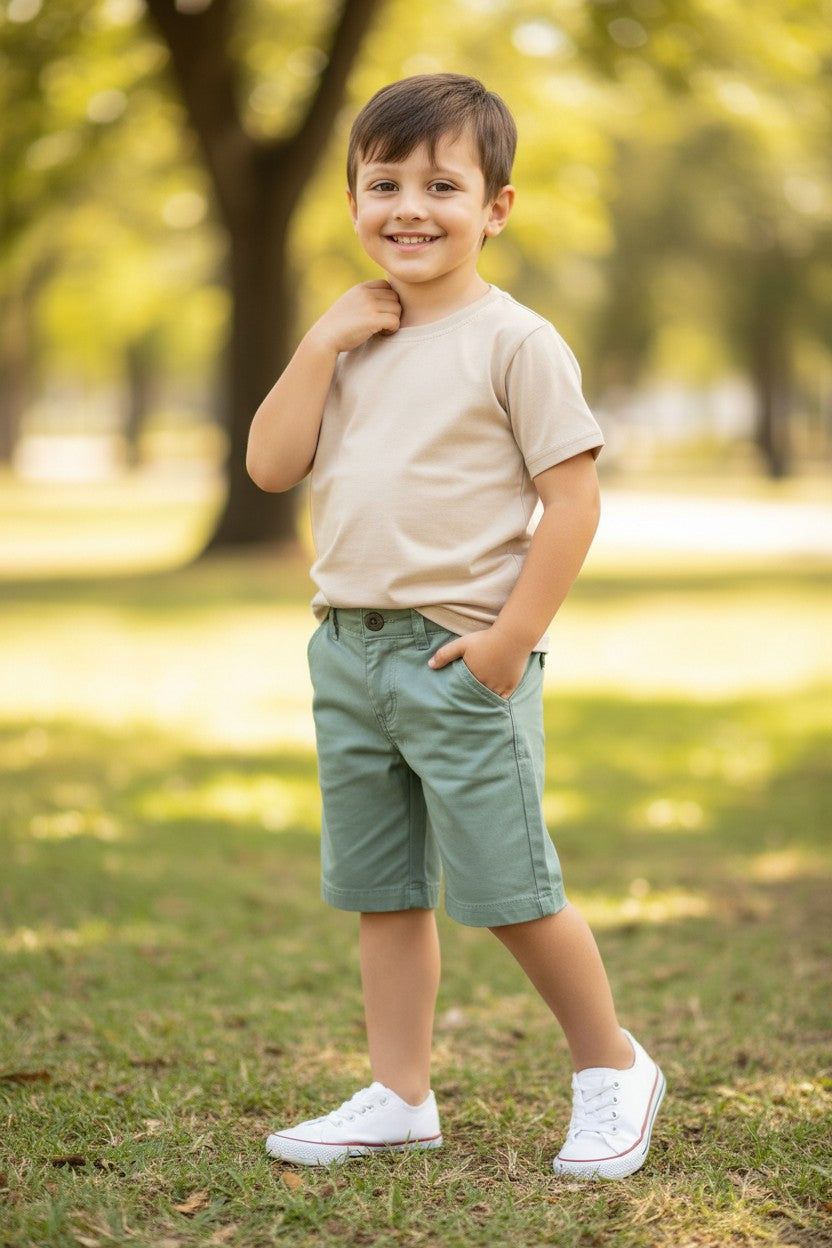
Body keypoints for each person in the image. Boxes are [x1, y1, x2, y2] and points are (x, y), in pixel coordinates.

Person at [247, 73, 665, 1180]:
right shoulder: (351, 336)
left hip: (457, 652)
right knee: (382, 892)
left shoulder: (515, 342)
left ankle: (611, 1068)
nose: (409, 208)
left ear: (495, 208)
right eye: (383, 183)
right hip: (347, 647)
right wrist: (317, 344)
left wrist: (505, 642)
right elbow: (270, 464)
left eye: (441, 183)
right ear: (351, 201)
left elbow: (570, 501)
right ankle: (397, 1093)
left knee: (509, 894)